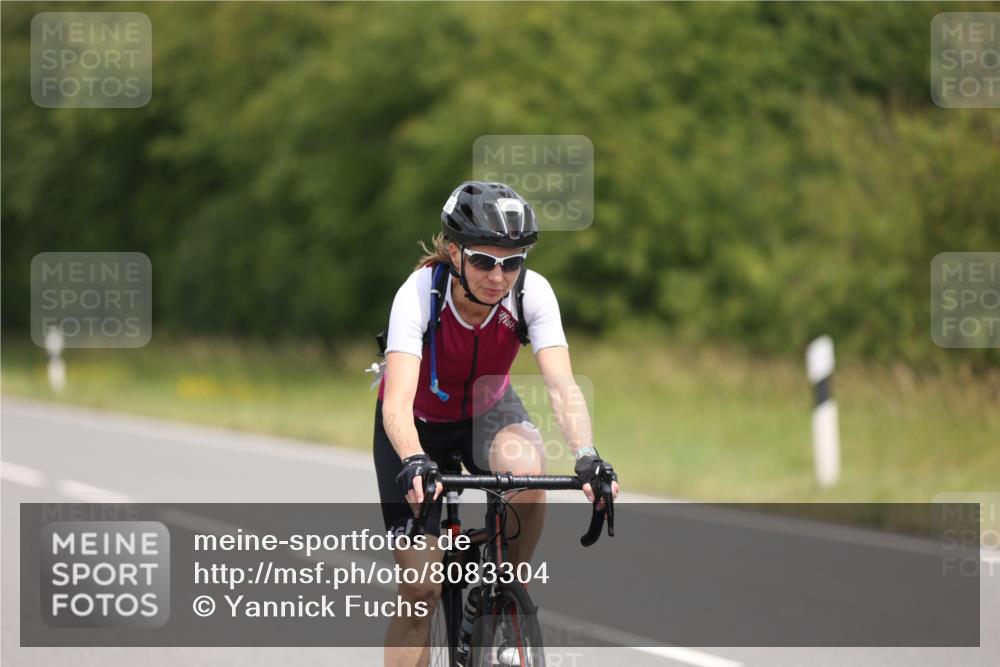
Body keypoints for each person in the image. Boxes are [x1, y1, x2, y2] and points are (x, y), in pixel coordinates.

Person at [373, 180, 619, 667]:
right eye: (484, 261)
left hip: (488, 411)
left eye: (513, 261)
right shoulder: (420, 294)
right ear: (453, 251)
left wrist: (587, 454)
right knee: (421, 586)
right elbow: (397, 402)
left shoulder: (532, 293)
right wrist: (415, 459)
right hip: (417, 427)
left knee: (527, 468)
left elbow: (562, 387)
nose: (498, 276)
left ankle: (510, 584)